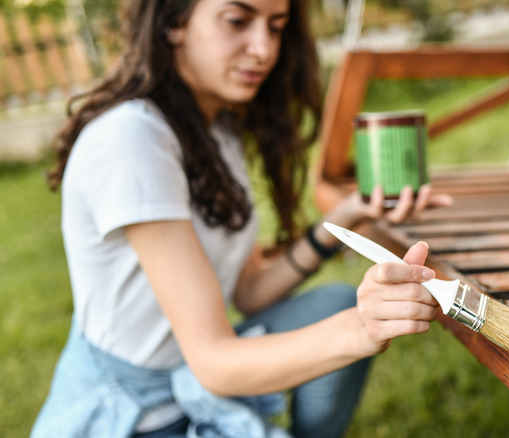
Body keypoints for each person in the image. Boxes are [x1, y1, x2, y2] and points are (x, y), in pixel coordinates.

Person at [31, 0, 451, 436]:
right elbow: (213, 362)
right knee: (346, 317)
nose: (264, 49)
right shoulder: (130, 139)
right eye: (237, 21)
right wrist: (362, 328)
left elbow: (248, 291)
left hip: (196, 378)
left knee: (335, 302)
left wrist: (341, 224)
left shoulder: (215, 130)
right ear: (175, 22)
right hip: (135, 418)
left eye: (276, 26)